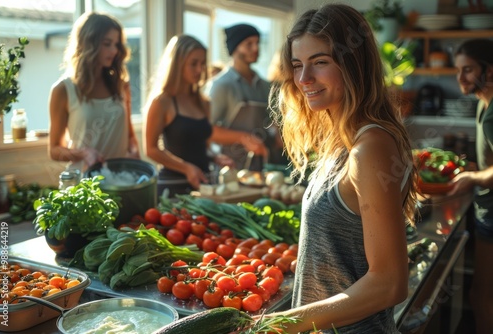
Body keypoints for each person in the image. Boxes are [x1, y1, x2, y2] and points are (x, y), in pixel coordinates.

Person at [262, 4, 417, 333]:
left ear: (353, 64)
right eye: (297, 65)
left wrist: (277, 325)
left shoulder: (370, 147)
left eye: (320, 62)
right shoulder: (341, 141)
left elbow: (389, 282)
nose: (304, 79)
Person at [143, 35, 267, 196]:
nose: (199, 70)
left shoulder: (203, 102)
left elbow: (204, 146)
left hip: (205, 185)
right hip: (173, 187)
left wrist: (216, 157)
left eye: (202, 63)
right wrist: (187, 168)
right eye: (193, 63)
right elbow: (151, 149)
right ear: (177, 64)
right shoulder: (162, 102)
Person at [48, 12, 139, 172]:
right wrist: (83, 153)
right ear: (88, 43)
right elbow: (54, 150)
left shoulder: (121, 86)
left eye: (116, 44)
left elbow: (130, 135)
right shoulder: (63, 90)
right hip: (84, 186)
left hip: (119, 180)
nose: (114, 51)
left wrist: (134, 151)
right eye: (107, 43)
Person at [451, 38, 493, 334]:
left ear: (489, 72)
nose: (460, 78)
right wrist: (466, 169)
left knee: (481, 295)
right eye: (458, 70)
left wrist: (471, 178)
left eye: (468, 70)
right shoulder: (484, 104)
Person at [205, 23, 272, 170]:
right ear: (234, 48)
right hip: (229, 168)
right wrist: (245, 138)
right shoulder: (221, 85)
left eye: (257, 43)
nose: (256, 49)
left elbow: (270, 122)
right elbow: (207, 130)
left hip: (260, 166)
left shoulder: (265, 86)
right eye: (249, 44)